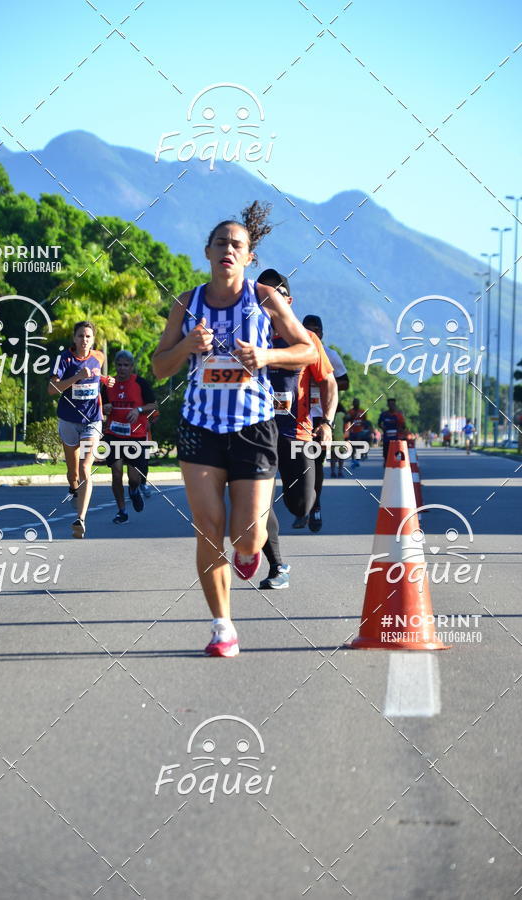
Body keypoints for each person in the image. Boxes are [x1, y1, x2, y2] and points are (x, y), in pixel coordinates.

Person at [152, 202, 317, 657]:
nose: (228, 249)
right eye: (221, 242)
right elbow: (160, 367)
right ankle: (222, 627)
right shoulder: (187, 303)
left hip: (253, 427)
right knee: (208, 529)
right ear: (208, 251)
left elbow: (307, 350)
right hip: (199, 428)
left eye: (237, 245)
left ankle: (248, 554)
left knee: (247, 535)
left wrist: (266, 357)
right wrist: (187, 344)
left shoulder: (265, 298)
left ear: (249, 258)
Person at [255, 271, 337, 589]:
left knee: (299, 504)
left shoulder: (306, 339)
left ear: (288, 301)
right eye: (262, 295)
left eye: (276, 294)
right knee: (257, 504)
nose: (269, 300)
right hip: (255, 434)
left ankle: (309, 508)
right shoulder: (245, 336)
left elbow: (328, 381)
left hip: (297, 436)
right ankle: (276, 566)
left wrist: (327, 423)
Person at [48, 321, 113, 539]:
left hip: (92, 421)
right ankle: (73, 488)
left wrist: (107, 380)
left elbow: (97, 377)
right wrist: (76, 377)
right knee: (73, 473)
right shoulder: (64, 359)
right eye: (80, 336)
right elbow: (51, 389)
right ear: (74, 339)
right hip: (68, 420)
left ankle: (80, 519)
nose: (84, 340)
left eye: (88, 336)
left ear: (92, 339)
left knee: (86, 468)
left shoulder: (100, 356)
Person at [301, 314, 348, 528]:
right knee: (296, 463)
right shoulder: (294, 352)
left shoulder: (329, 354)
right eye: (307, 329)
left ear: (321, 334)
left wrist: (322, 379)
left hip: (320, 415)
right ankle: (301, 503)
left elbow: (345, 382)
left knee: (316, 462)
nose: (311, 334)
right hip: (298, 414)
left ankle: (315, 505)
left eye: (315, 331)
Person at [101, 349, 158, 523]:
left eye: (126, 365)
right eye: (119, 365)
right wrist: (104, 408)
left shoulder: (140, 383)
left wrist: (138, 410)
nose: (122, 368)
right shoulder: (109, 384)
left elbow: (154, 405)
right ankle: (122, 511)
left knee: (134, 478)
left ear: (132, 367)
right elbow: (100, 406)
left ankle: (134, 490)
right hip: (113, 433)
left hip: (136, 435)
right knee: (116, 473)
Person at [344, 397, 371, 467]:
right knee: (353, 446)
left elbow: (365, 420)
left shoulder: (362, 411)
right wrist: (349, 417)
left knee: (359, 444)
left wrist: (366, 428)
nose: (356, 404)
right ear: (353, 404)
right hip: (352, 431)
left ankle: (359, 457)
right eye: (354, 402)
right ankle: (353, 459)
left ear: (359, 404)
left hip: (360, 431)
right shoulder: (350, 411)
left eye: (357, 402)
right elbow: (346, 420)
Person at [378, 397, 406, 464]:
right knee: (386, 454)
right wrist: (382, 428)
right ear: (387, 405)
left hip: (396, 438)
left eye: (392, 404)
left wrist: (400, 430)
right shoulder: (384, 414)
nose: (391, 406)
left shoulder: (399, 415)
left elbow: (404, 426)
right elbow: (379, 423)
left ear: (395, 405)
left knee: (395, 453)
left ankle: (393, 464)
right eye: (390, 405)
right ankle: (386, 464)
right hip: (386, 438)